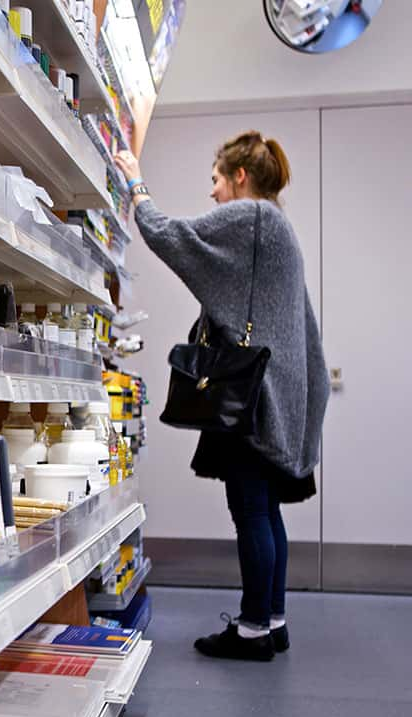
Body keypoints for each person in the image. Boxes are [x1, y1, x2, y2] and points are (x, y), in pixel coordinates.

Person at [114, 131, 329, 662]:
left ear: (239, 177)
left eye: (215, 179)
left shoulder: (252, 217)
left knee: (251, 512)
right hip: (277, 393)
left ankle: (253, 629)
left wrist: (135, 185)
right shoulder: (280, 228)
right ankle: (272, 621)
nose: (211, 193)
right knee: (268, 513)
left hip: (251, 396)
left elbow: (173, 236)